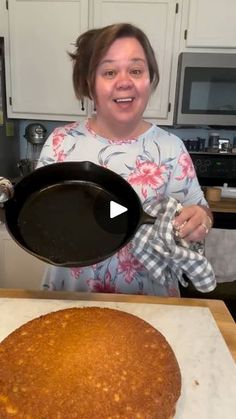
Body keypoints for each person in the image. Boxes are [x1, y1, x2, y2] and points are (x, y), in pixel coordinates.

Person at [37, 23, 215, 295]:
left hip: (152, 304)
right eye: (109, 72)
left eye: (136, 70)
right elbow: (41, 220)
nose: (124, 81)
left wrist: (201, 218)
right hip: (71, 297)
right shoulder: (61, 143)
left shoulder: (171, 148)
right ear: (89, 83)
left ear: (149, 79)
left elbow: (200, 210)